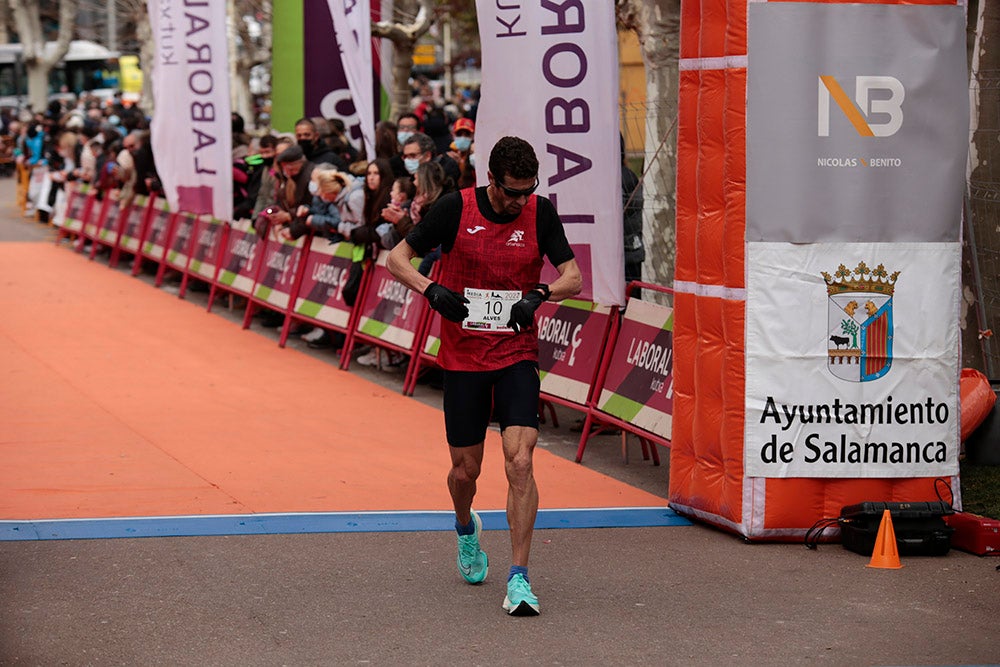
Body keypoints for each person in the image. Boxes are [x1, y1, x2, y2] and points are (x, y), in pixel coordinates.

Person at [386, 136, 582, 616]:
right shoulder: (456, 208)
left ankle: (519, 577)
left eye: (528, 190)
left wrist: (540, 293)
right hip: (463, 356)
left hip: (516, 351)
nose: (520, 200)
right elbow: (397, 259)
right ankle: (465, 526)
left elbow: (573, 276)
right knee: (464, 471)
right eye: (512, 191)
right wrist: (432, 290)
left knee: (520, 461)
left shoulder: (540, 212)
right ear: (491, 179)